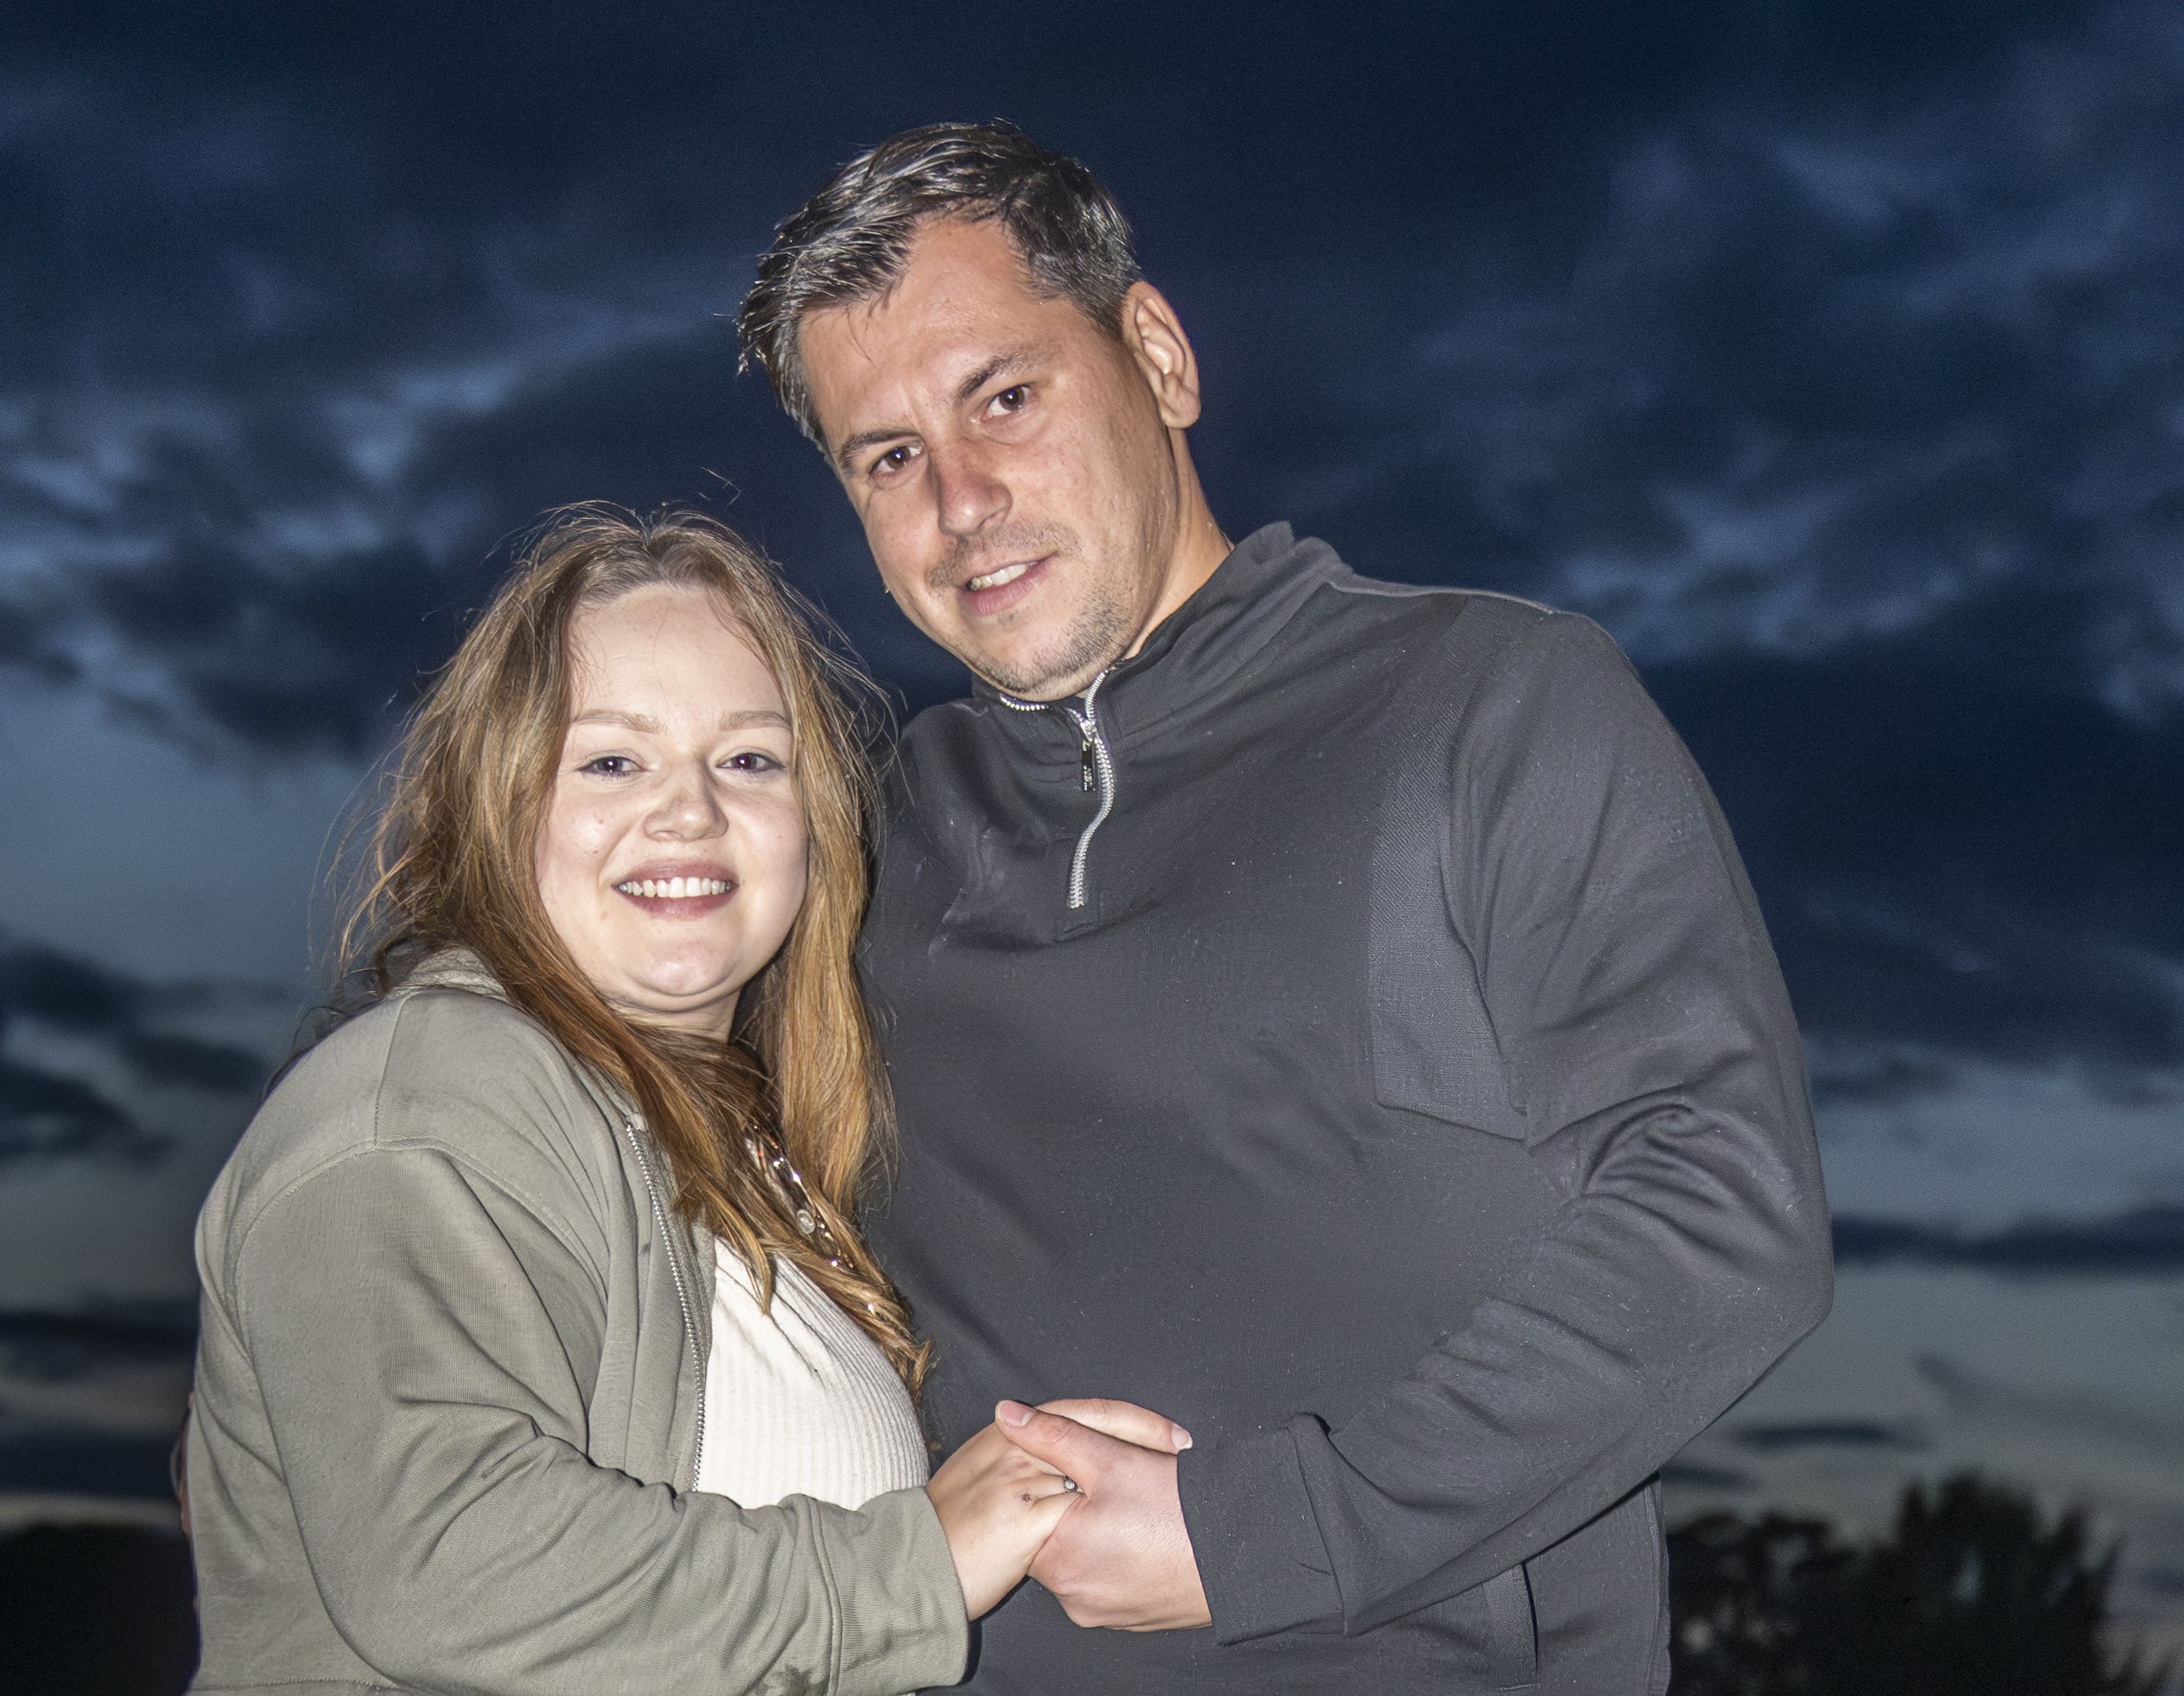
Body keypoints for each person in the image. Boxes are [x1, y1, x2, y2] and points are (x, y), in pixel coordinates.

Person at [737, 121, 1836, 1693]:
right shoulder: (863, 841)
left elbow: (1727, 1214)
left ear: (1160, 357)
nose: (962, 501)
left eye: (1006, 396)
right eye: (889, 457)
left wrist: (1263, 1534)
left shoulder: (1489, 706)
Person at [181, 507, 1162, 1694]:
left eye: (749, 759)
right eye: (611, 761)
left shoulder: (731, 1148)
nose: (690, 810)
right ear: (502, 800)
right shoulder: (426, 1105)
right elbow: (446, 1563)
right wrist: (911, 1570)